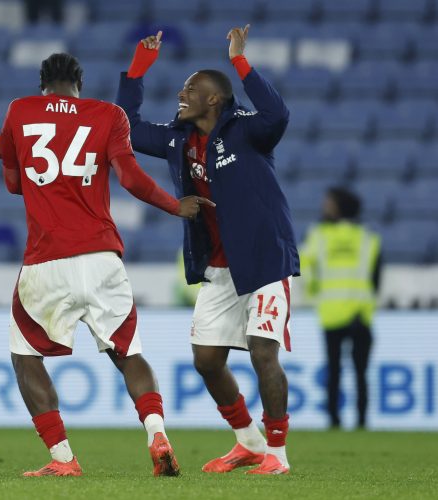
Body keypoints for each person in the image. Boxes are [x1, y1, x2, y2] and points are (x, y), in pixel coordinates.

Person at [0, 53, 206, 477]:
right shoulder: (107, 114)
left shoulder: (20, 110)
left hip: (46, 258)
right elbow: (130, 178)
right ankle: (156, 434)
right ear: (80, 81)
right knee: (128, 352)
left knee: (25, 356)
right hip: (101, 257)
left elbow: (13, 183)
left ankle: (62, 459)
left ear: (43, 83)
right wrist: (174, 205)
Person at [116, 26, 299, 475]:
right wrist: (137, 71)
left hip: (264, 260)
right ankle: (248, 442)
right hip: (218, 266)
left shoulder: (249, 132)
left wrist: (240, 61)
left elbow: (278, 114)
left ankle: (277, 454)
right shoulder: (178, 138)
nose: (181, 94)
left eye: (191, 89)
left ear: (215, 99)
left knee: (262, 352)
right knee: (207, 360)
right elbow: (127, 130)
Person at [300, 187, 381, 429]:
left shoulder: (319, 235)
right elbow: (376, 277)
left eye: (329, 202)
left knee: (334, 370)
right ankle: (362, 422)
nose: (325, 205)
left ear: (339, 206)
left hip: (331, 312)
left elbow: (304, 266)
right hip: (361, 313)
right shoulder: (367, 237)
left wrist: (315, 292)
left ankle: (334, 420)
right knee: (360, 373)